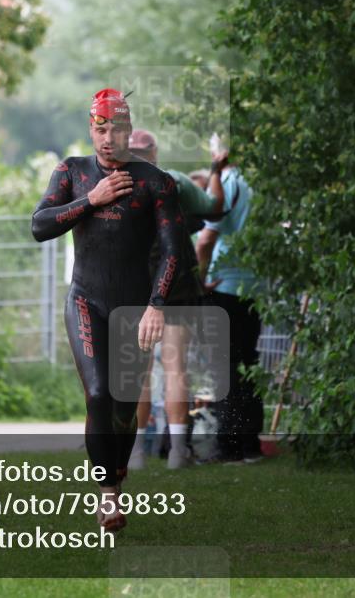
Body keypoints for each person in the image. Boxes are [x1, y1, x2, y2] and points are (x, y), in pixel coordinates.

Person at [31, 89, 187, 531]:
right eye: (100, 130)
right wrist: (92, 200)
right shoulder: (73, 172)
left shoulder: (156, 182)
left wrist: (157, 306)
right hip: (86, 299)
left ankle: (116, 475)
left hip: (136, 309)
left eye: (117, 130)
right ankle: (108, 495)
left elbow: (173, 251)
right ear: (91, 130)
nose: (108, 139)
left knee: (122, 405)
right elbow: (39, 226)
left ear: (129, 131)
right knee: (99, 393)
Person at [126, 129, 229, 469]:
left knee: (139, 372)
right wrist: (216, 170)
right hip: (175, 286)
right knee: (175, 368)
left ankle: (137, 453)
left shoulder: (111, 185)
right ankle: (176, 453)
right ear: (153, 151)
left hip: (136, 286)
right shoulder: (175, 181)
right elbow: (215, 208)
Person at [195, 134, 264, 464]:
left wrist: (197, 280)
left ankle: (227, 446)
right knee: (248, 364)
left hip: (222, 286)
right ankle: (251, 444)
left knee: (222, 370)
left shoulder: (227, 182)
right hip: (255, 288)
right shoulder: (259, 184)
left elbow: (207, 238)